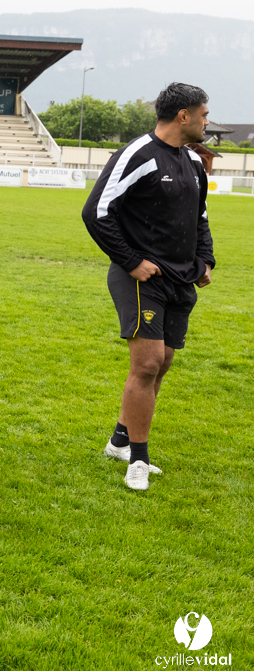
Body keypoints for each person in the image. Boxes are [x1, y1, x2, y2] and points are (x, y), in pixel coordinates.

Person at [82, 82, 214, 491]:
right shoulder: (138, 154)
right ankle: (137, 460)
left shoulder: (193, 162)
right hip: (141, 278)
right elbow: (97, 211)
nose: (207, 122)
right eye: (204, 115)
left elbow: (200, 218)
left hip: (181, 278)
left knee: (165, 360)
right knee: (147, 363)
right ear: (183, 116)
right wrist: (132, 261)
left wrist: (206, 260)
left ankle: (120, 441)